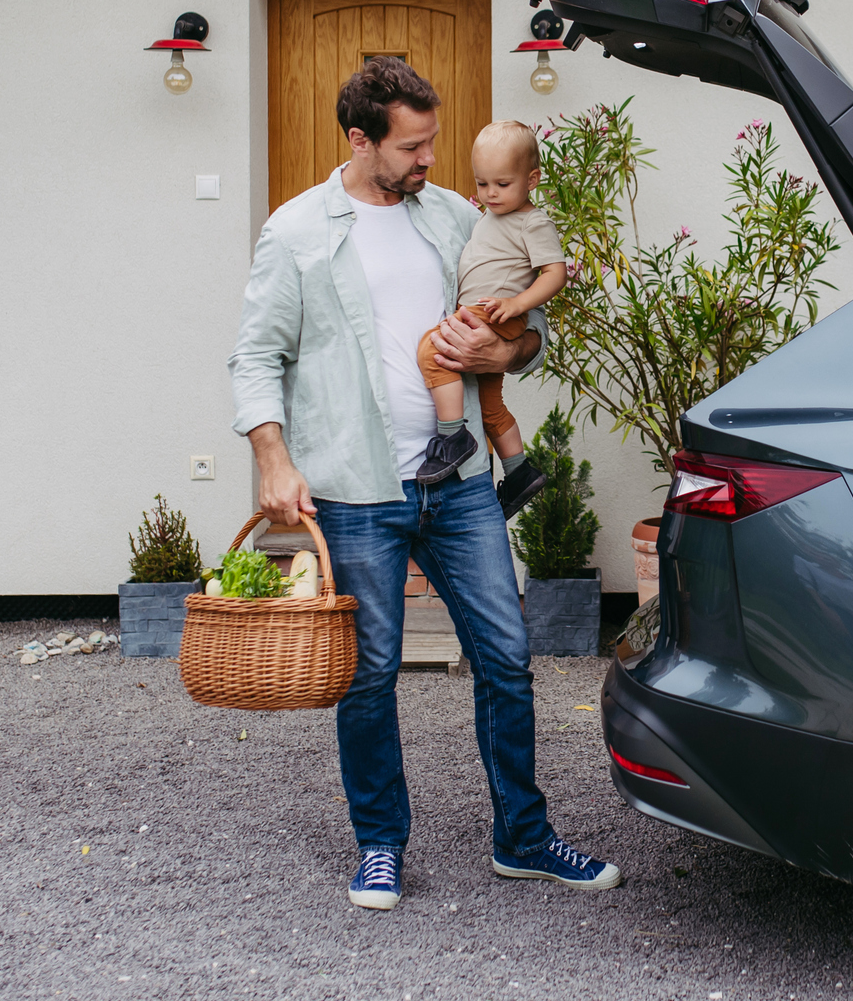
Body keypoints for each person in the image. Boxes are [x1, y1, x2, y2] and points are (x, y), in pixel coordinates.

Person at [228, 58, 620, 911]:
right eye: (412, 146)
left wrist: (504, 351)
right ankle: (379, 844)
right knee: (368, 676)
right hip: (356, 486)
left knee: (507, 657)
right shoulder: (298, 231)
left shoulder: (454, 217)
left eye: (433, 140)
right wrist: (271, 456)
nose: (429, 161)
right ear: (359, 139)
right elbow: (257, 354)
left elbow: (528, 325)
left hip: (460, 481)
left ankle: (521, 836)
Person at [410, 120, 566, 513]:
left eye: (502, 184)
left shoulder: (534, 221)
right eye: (483, 184)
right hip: (486, 313)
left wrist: (517, 305)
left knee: (434, 349)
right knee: (490, 402)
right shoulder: (486, 217)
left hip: (496, 313)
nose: (490, 194)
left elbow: (555, 273)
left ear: (532, 179)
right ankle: (519, 472)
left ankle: (452, 438)